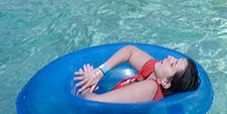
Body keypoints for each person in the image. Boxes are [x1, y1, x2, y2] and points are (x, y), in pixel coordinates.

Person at [71, 45, 201, 103]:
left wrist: (85, 84)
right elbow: (130, 51)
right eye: (175, 59)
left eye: (173, 64)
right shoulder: (154, 72)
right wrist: (100, 72)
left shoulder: (150, 87)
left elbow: (95, 103)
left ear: (166, 82)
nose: (169, 57)